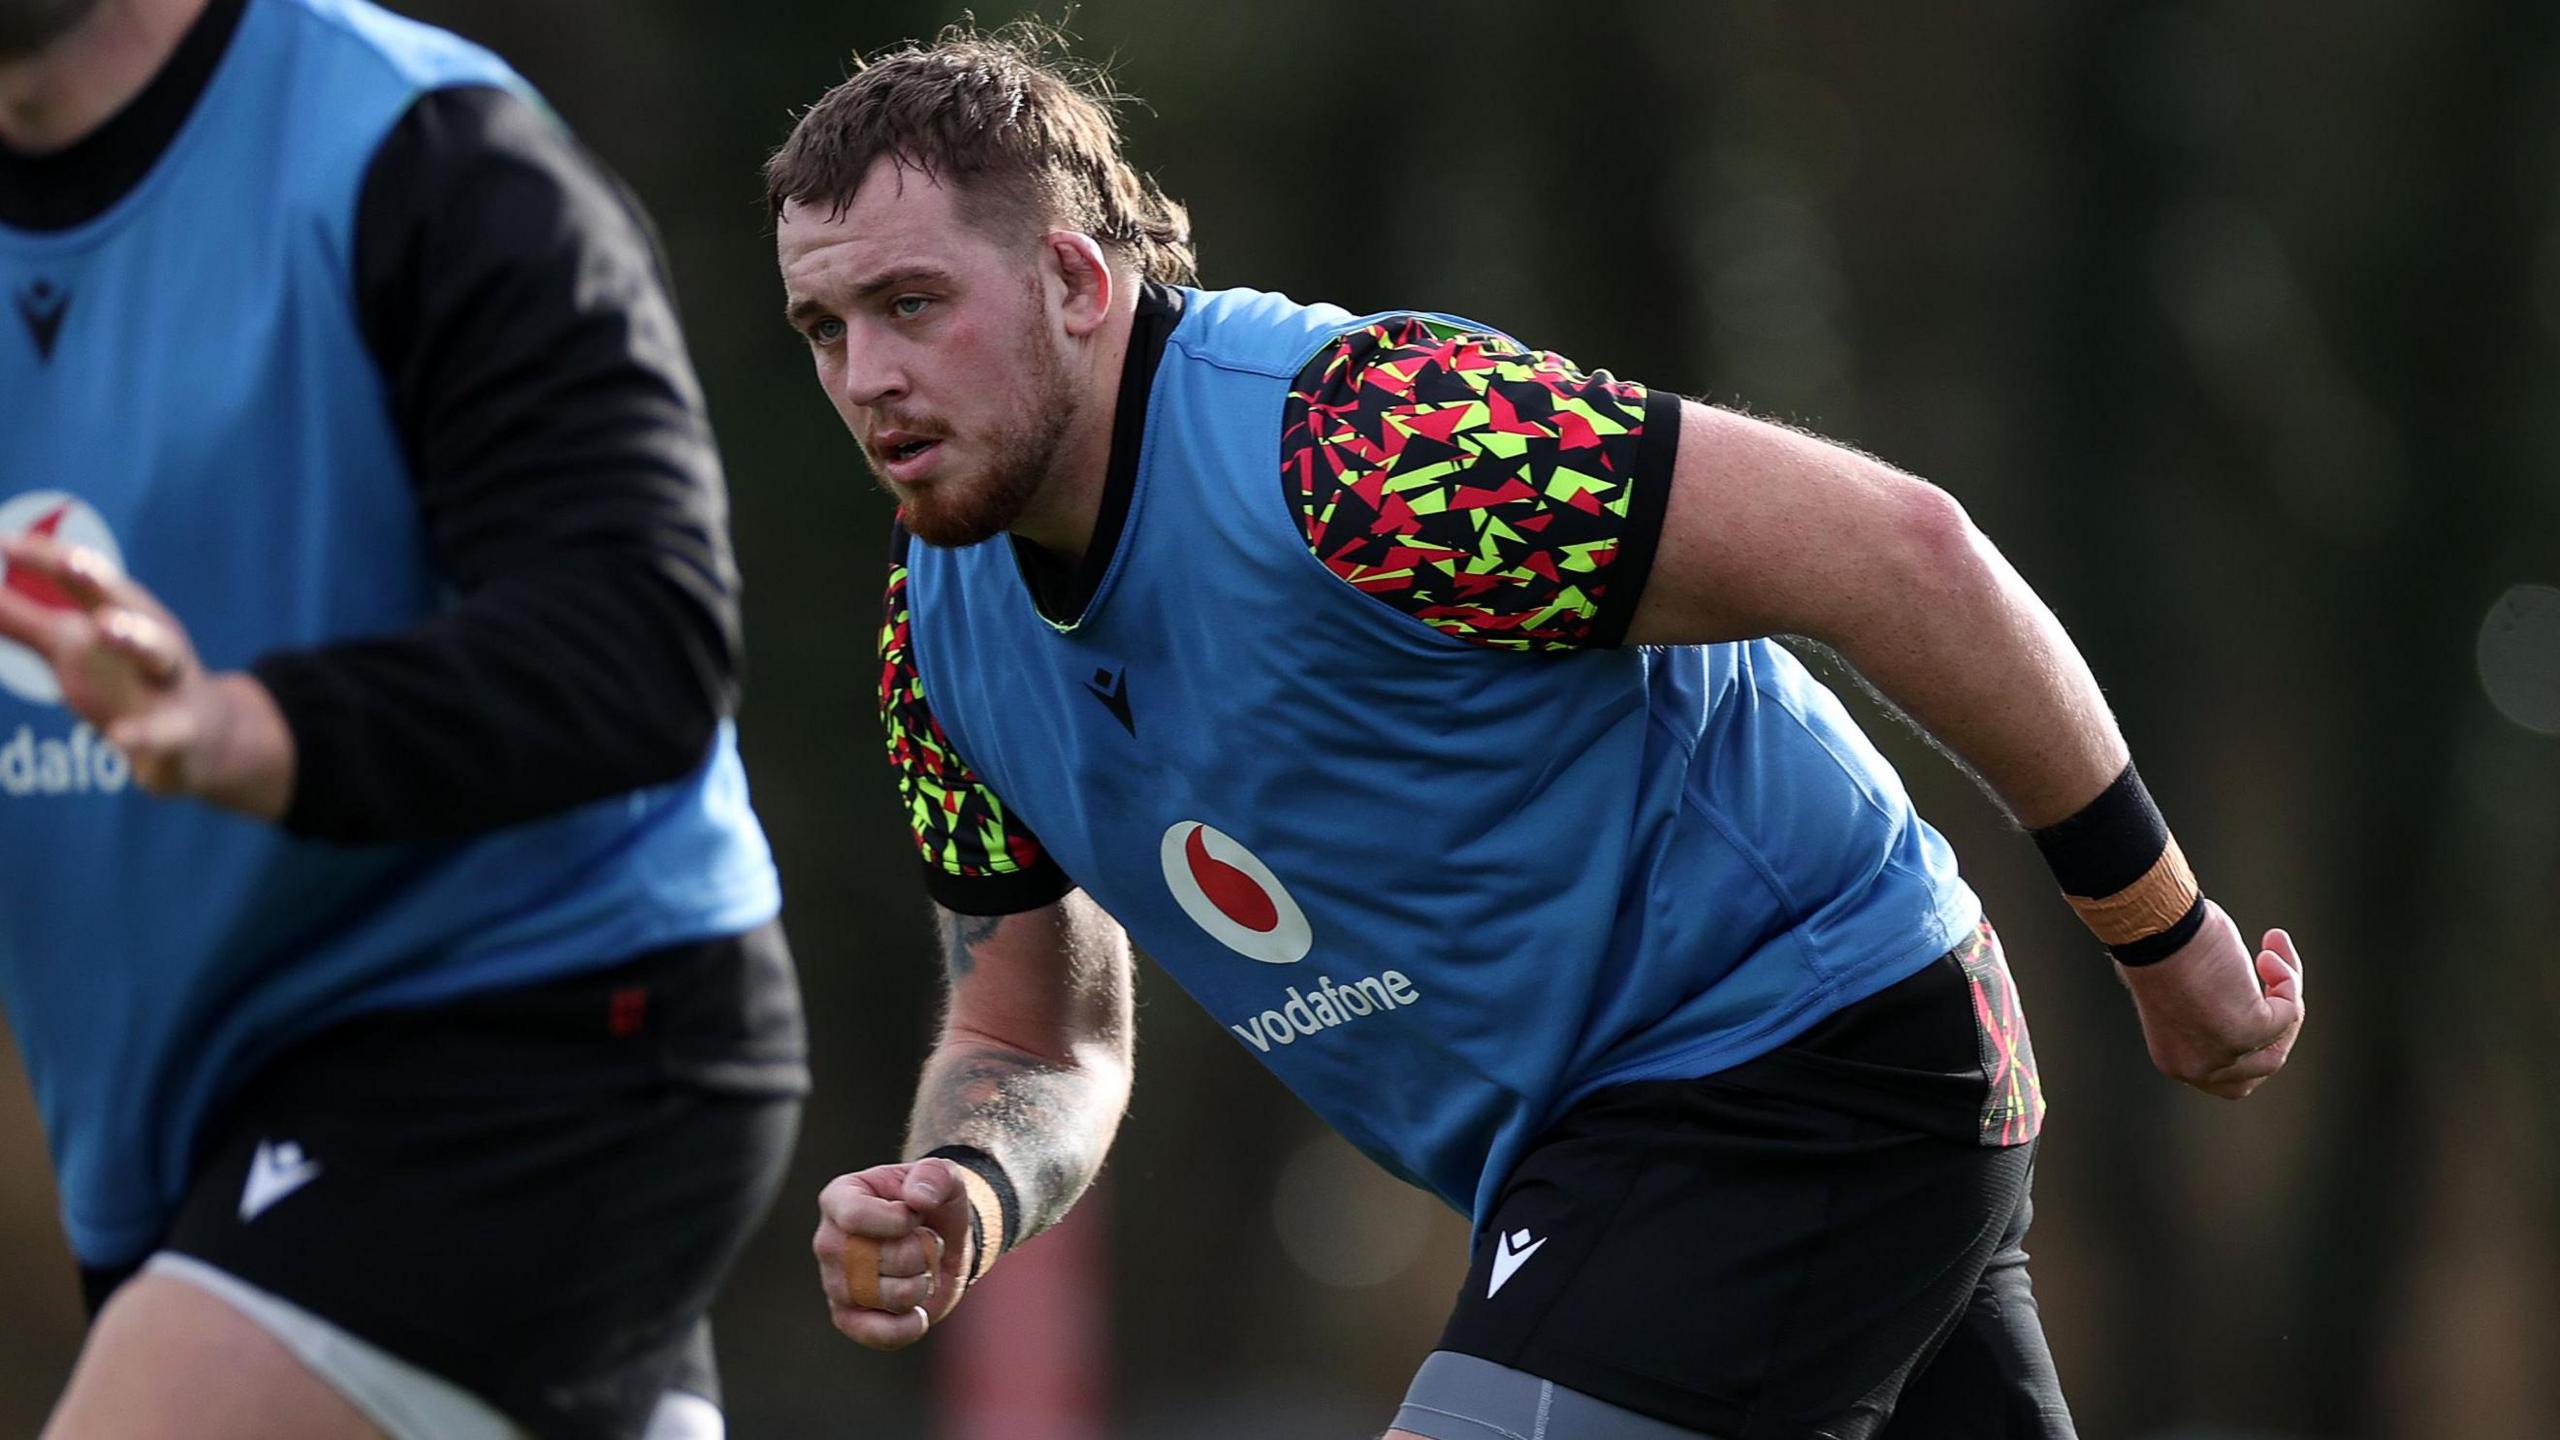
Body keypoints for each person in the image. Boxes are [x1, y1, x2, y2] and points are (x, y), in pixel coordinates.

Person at [773, 25, 2305, 1440]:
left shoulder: (1367, 443)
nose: (867, 379)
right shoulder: (942, 643)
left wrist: (2160, 937)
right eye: (825, 329)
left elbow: (1901, 553)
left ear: (1075, 281)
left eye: (913, 304)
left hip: (1805, 1048)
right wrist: (967, 1185)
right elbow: (1032, 1033)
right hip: (1645, 1146)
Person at [0, 0, 807, 1436]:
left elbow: (643, 642)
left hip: (544, 1040)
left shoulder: (413, 145)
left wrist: (243, 728)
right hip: (178, 1119)